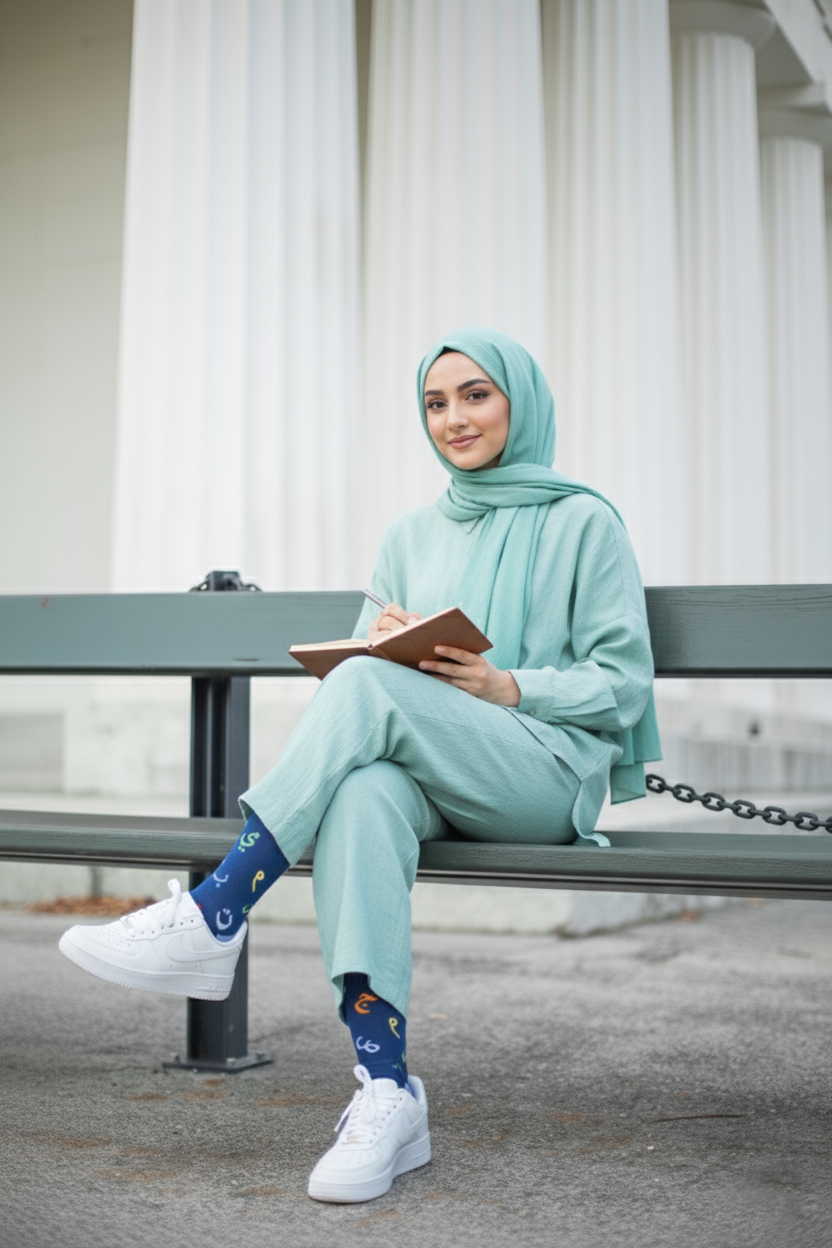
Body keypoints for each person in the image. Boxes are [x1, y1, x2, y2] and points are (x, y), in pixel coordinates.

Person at [58, 327, 661, 1204]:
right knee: (363, 796)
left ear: (519, 402)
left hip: (542, 770)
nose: (454, 418)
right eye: (435, 402)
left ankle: (218, 910)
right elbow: (364, 677)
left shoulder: (585, 521)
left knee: (372, 692)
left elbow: (622, 682)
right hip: (431, 769)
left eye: (476, 395)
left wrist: (508, 685)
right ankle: (387, 1090)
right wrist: (393, 654)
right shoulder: (409, 534)